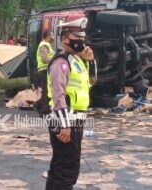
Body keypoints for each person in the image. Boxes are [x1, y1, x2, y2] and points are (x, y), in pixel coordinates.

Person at [46, 17, 95, 190]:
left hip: (74, 120)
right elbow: (58, 96)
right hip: (66, 120)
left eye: (83, 39)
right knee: (67, 171)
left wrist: (90, 61)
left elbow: (90, 82)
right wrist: (65, 125)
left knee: (59, 167)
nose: (81, 43)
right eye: (77, 39)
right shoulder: (61, 62)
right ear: (66, 38)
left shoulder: (75, 60)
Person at [36, 30, 55, 117]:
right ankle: (44, 112)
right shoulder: (44, 45)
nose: (54, 37)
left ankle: (39, 105)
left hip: (44, 71)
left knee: (46, 91)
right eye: (52, 35)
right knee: (46, 91)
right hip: (44, 71)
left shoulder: (46, 45)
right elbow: (44, 59)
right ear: (47, 36)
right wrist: (56, 61)